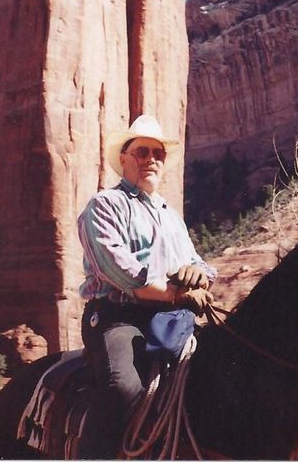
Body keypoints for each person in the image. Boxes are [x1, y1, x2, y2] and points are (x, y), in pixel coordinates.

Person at [76, 113, 217, 459]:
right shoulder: (104, 205)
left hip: (171, 319)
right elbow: (122, 273)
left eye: (158, 153)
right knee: (123, 386)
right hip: (118, 318)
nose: (151, 160)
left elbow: (199, 262)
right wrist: (177, 293)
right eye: (142, 152)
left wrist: (199, 274)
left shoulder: (172, 217)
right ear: (124, 159)